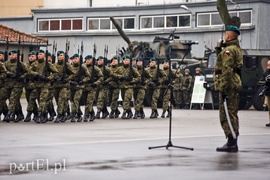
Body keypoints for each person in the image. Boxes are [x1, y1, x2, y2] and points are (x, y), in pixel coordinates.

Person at [214, 25, 243, 152]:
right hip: (233, 83)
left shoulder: (229, 51)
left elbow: (226, 69)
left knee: (227, 114)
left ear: (229, 36)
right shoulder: (235, 48)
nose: (225, 36)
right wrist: (219, 49)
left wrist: (223, 87)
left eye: (226, 34)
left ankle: (232, 141)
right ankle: (232, 140)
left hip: (228, 85)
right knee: (231, 112)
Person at [112, 55, 141, 119]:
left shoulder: (132, 69)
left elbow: (138, 77)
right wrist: (121, 77)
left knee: (126, 100)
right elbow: (113, 74)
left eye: (127, 60)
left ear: (130, 61)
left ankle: (124, 112)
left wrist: (132, 81)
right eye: (124, 60)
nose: (125, 61)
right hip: (122, 86)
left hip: (129, 87)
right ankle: (129, 112)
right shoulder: (120, 68)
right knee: (124, 100)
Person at [259, 60, 270, 127]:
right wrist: (265, 80)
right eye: (268, 65)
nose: (268, 66)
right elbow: (261, 81)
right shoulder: (266, 73)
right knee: (269, 108)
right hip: (268, 92)